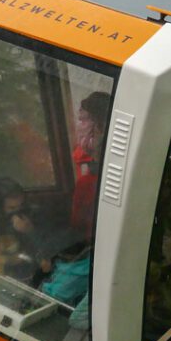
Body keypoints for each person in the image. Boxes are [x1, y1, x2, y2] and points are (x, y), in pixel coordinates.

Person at [0, 178, 52, 285]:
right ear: (0, 208)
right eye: (11, 208)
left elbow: (49, 250)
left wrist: (30, 231)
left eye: (21, 206)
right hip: (7, 277)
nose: (17, 212)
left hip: (34, 274)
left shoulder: (35, 215)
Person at [71, 91, 111, 241]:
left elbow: (77, 223)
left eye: (84, 121)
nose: (79, 127)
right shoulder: (80, 157)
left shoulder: (87, 182)